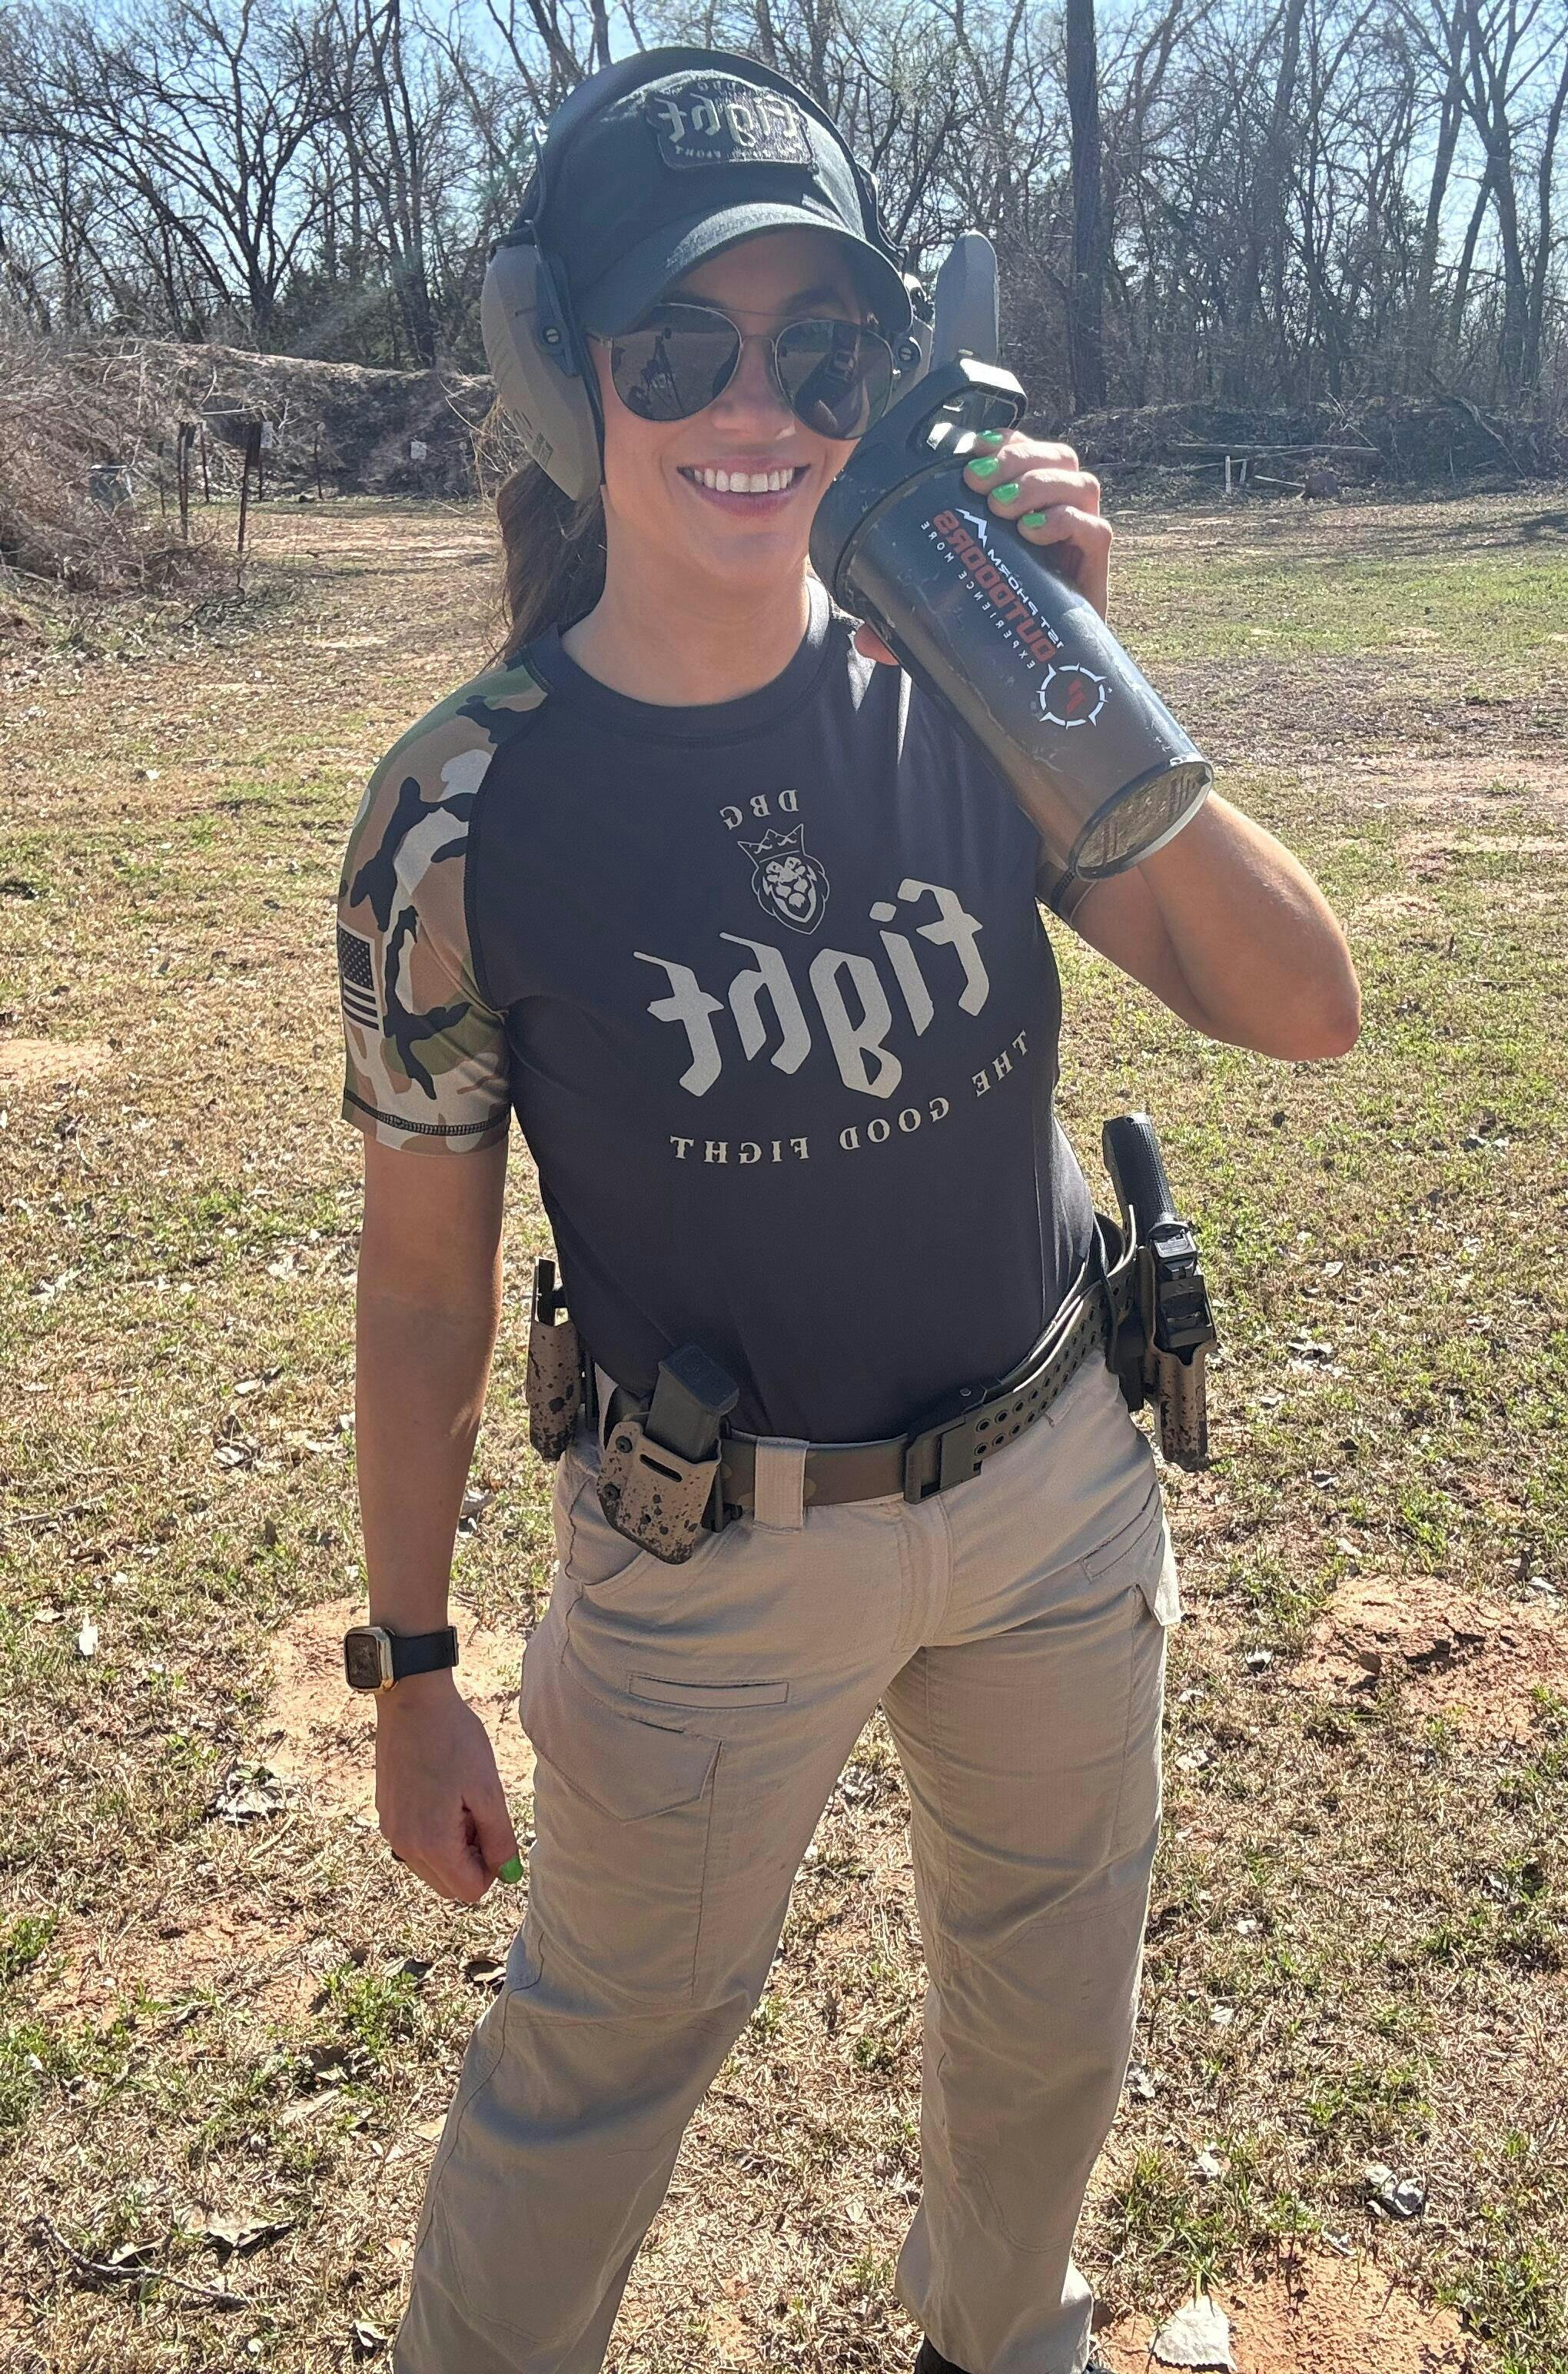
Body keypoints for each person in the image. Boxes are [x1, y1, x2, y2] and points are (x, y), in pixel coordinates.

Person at [334, 45, 1359, 2374]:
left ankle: (1001, 2341)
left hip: (1054, 1487)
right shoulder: (463, 814)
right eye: (679, 343)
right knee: (595, 2074)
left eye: (819, 348)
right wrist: (412, 1670)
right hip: (714, 1559)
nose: (753, 405)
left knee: (1051, 2028)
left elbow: (1300, 1007)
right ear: (563, 372)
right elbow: (418, 1292)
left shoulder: (974, 693)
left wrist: (1064, 666)